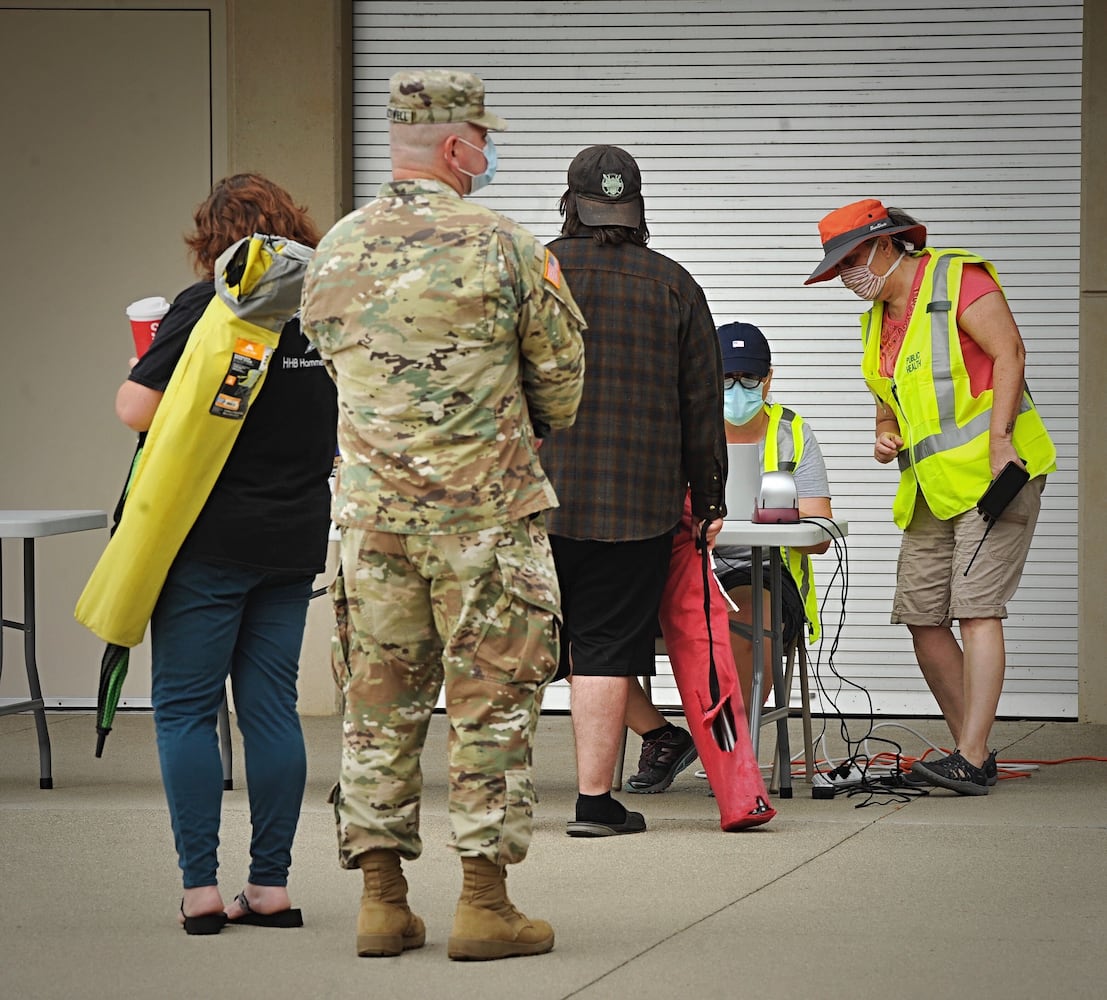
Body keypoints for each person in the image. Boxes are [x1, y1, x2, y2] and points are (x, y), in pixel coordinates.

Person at [299, 70, 586, 961]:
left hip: (372, 526)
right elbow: (563, 385)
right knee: (489, 709)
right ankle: (483, 906)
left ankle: (382, 904)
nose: (487, 157)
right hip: (485, 526)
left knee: (377, 711)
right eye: (484, 143)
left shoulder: (335, 250)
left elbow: (331, 363)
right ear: (461, 148)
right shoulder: (507, 245)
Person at [114, 173, 338, 932]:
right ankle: (270, 888)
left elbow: (134, 408)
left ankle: (200, 890)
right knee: (271, 710)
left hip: (207, 539)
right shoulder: (325, 306)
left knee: (184, 709)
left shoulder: (209, 305)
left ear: (212, 240)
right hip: (295, 535)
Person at [805, 198, 1057, 795]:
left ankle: (969, 755)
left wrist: (1000, 441)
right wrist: (882, 434)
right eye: (838, 268)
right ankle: (973, 750)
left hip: (995, 478)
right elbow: (888, 396)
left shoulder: (955, 278)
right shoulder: (876, 318)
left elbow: (1010, 353)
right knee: (922, 617)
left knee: (976, 608)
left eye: (852, 262)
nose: (847, 277)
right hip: (929, 491)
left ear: (887, 245)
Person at [539, 144, 727, 833]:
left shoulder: (534, 273)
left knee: (514, 644)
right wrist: (707, 502)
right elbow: (702, 407)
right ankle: (593, 804)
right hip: (636, 507)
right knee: (606, 646)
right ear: (635, 211)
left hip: (535, 500)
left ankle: (494, 800)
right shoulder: (674, 284)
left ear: (570, 205)